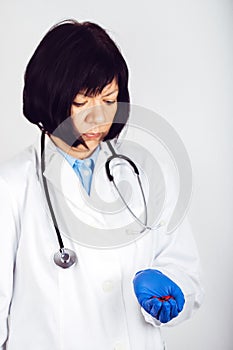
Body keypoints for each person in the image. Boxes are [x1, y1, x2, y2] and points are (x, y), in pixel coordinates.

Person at [0, 20, 203, 350]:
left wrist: (172, 287)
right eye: (82, 104)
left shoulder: (145, 173)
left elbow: (184, 269)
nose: (98, 119)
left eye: (109, 101)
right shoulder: (10, 187)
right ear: (48, 95)